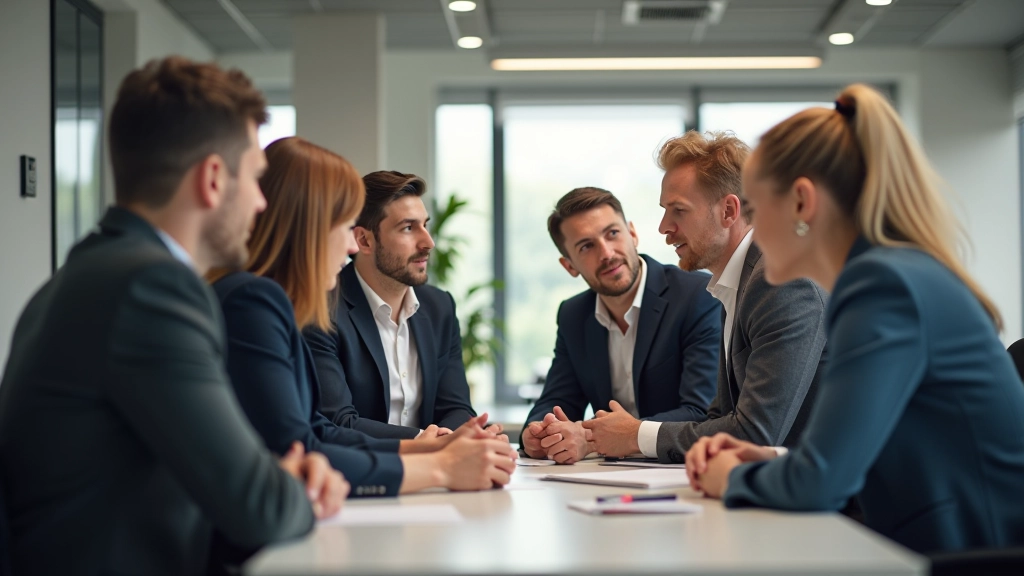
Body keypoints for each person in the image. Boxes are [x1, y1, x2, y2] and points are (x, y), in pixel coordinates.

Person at [0, 57, 345, 576]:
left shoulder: (85, 275)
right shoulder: (152, 290)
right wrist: (289, 486)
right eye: (254, 179)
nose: (259, 203)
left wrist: (275, 478)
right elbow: (261, 508)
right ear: (211, 179)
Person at [686, 84, 1024, 553]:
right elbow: (861, 449)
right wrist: (772, 458)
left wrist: (734, 476)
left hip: (973, 554)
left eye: (759, 210)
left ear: (803, 202)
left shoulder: (883, 287)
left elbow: (820, 483)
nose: (750, 231)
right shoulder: (890, 274)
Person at [211, 137, 516, 496]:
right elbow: (303, 447)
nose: (352, 247)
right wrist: (440, 467)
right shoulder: (255, 301)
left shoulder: (271, 301)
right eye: (343, 228)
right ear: (307, 227)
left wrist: (437, 448)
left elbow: (317, 432)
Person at [583, 132, 828, 463]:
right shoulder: (737, 283)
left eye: (678, 211)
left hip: (841, 509)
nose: (664, 227)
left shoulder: (781, 282)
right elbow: (718, 420)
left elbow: (755, 434)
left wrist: (635, 435)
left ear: (729, 210)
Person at [520, 187, 721, 464]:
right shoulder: (574, 314)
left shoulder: (696, 296)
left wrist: (589, 439)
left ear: (632, 234)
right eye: (586, 246)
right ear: (569, 265)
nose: (607, 253)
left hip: (680, 473)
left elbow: (701, 412)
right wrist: (539, 434)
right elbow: (556, 400)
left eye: (612, 234)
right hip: (605, 482)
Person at [305, 171, 496, 439]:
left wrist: (454, 438)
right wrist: (427, 442)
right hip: (362, 473)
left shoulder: (439, 306)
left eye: (425, 225)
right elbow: (338, 421)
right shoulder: (322, 307)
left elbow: (455, 407)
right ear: (365, 241)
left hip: (438, 472)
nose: (428, 242)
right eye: (408, 228)